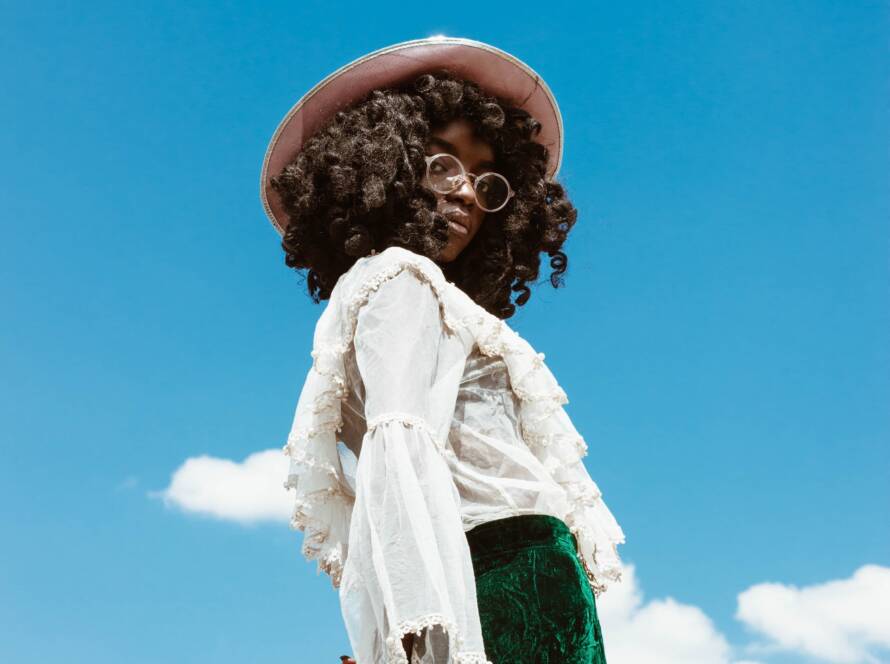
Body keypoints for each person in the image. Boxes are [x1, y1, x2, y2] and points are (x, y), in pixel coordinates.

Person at [260, 37, 626, 664]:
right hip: (504, 575)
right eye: (442, 164)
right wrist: (417, 633)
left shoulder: (418, 294)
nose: (465, 193)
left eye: (486, 180)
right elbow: (399, 449)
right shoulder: (402, 276)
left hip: (519, 579)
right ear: (384, 164)